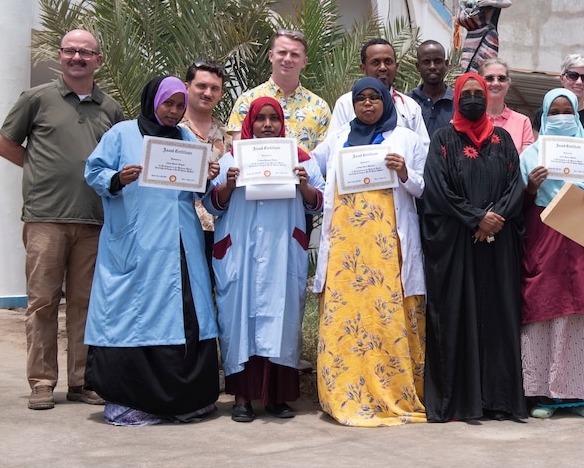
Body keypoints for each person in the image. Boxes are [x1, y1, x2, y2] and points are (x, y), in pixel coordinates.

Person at [0, 29, 125, 410]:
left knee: (86, 304)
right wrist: (38, 170)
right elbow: (4, 144)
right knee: (43, 302)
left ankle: (82, 382)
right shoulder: (37, 99)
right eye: (71, 51)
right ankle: (41, 382)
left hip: (93, 220)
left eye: (86, 52)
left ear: (98, 60)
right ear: (60, 55)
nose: (78, 58)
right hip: (45, 218)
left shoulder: (111, 108)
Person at [83, 76, 221, 426]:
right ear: (152, 102)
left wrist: (209, 176)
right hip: (137, 240)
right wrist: (118, 178)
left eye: (179, 105)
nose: (174, 112)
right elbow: (94, 171)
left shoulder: (188, 139)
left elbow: (202, 194)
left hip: (180, 242)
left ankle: (186, 400)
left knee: (185, 315)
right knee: (135, 313)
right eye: (168, 104)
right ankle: (133, 401)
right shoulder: (122, 134)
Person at [311, 78, 429, 426]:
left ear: (385, 102)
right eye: (360, 99)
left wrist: (404, 172)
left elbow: (423, 188)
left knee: (385, 319)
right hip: (347, 248)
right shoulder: (337, 139)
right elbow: (312, 169)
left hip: (389, 249)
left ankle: (394, 393)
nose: (367, 104)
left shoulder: (405, 138)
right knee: (349, 320)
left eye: (373, 98)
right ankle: (344, 394)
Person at [204, 97, 324, 423]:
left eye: (274, 118)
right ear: (250, 123)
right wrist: (228, 185)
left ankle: (277, 398)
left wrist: (304, 185)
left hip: (283, 252)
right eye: (261, 119)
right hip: (240, 252)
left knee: (281, 320)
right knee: (239, 322)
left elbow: (320, 202)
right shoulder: (233, 158)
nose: (268, 125)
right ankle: (242, 398)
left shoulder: (300, 159)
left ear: (282, 123)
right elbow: (212, 203)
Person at [421, 71, 527, 422]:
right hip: (457, 247)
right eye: (465, 93)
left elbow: (515, 185)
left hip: (498, 247)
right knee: (456, 318)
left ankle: (498, 400)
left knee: (498, 319)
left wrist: (495, 217)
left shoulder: (503, 140)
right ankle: (460, 401)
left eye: (477, 93)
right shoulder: (442, 140)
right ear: (456, 96)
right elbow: (437, 189)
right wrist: (475, 218)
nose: (472, 99)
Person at [520, 89, 584, 419]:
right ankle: (544, 394)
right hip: (545, 239)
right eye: (553, 111)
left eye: (566, 111)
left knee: (582, 312)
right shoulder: (530, 154)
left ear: (576, 114)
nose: (560, 117)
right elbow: (517, 202)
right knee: (545, 311)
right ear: (544, 116)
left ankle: (583, 396)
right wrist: (530, 186)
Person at [227, 29, 330, 151]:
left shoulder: (320, 107)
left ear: (304, 62)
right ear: (271, 56)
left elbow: (323, 159)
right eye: (282, 52)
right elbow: (239, 152)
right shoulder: (247, 101)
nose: (287, 59)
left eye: (294, 54)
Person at [331, 38, 430, 148]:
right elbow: (333, 146)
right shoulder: (345, 104)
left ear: (396, 67)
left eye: (388, 62)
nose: (383, 68)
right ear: (363, 68)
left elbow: (423, 150)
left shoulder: (410, 106)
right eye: (375, 62)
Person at [181, 59, 230, 265]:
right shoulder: (171, 133)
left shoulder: (228, 137)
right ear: (186, 87)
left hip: (219, 229)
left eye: (214, 88)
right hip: (180, 228)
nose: (207, 93)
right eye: (201, 86)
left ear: (221, 94)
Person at [455, 0, 511, 73]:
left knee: (486, 68)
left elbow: (507, 3)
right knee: (467, 68)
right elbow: (460, 15)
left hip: (487, 34)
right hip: (471, 35)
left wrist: (490, 2)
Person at [481, 58, 534, 153]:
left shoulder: (523, 122)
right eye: (489, 78)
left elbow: (526, 161)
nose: (496, 83)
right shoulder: (470, 119)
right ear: (480, 82)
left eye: (501, 78)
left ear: (508, 83)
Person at [408, 40, 455, 137]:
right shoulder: (407, 103)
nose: (432, 67)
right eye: (426, 62)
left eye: (437, 61)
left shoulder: (459, 103)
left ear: (446, 64)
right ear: (418, 66)